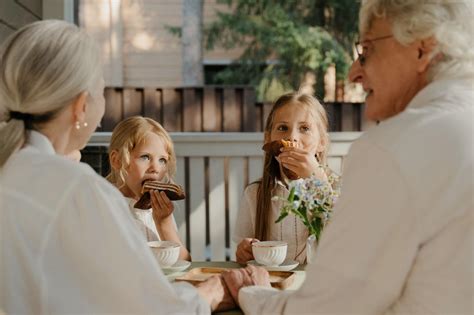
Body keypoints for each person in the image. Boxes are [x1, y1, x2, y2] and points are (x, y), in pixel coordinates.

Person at [0, 20, 263, 314]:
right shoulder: (79, 190)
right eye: (101, 91)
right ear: (80, 107)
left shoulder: (15, 172)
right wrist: (213, 291)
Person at [227, 0, 474, 314]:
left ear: (422, 50)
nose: (355, 72)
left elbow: (324, 309)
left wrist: (253, 293)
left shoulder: (391, 149)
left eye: (367, 49)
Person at [233, 92, 339, 264]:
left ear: (322, 143)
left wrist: (319, 180)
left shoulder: (339, 190)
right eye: (283, 128)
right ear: (268, 139)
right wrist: (244, 251)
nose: (292, 138)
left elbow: (347, 242)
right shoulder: (255, 194)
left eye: (304, 128)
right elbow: (243, 252)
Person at [106, 116, 190, 261]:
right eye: (145, 157)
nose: (155, 168)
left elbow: (184, 262)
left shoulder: (158, 209)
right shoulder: (106, 205)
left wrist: (164, 223)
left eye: (162, 160)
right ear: (117, 160)